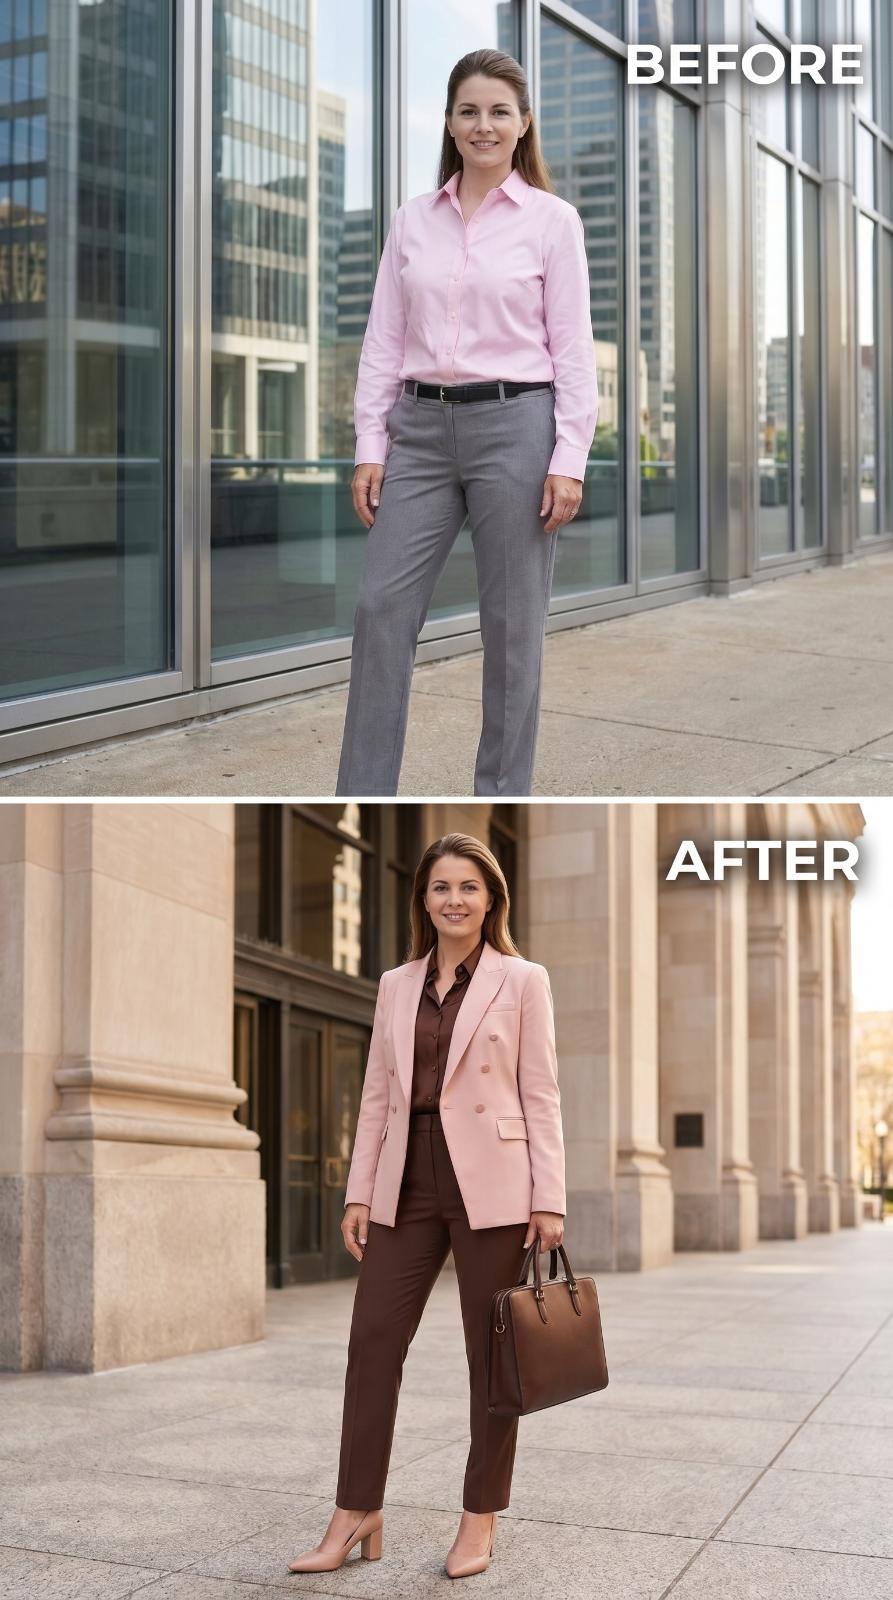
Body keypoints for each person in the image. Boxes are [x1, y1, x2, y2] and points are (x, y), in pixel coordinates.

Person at [287, 832, 566, 1579]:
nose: (454, 900)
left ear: (490, 899)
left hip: (496, 1184)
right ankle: (356, 1510)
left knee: (492, 1355)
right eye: (440, 887)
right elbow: (378, 1093)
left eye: (468, 888)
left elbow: (539, 1092)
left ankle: (479, 1516)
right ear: (423, 899)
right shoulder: (395, 984)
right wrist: (358, 1190)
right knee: (372, 1342)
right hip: (405, 1178)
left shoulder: (522, 979)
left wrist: (550, 1199)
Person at [335, 47, 598, 798]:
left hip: (517, 427)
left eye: (498, 112)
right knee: (379, 607)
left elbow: (573, 347)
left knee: (512, 633)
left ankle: (499, 794)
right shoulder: (412, 221)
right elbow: (382, 340)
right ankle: (363, 791)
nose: (482, 125)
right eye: (468, 110)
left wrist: (569, 455)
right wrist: (369, 444)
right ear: (449, 124)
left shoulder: (552, 222)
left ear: (522, 126)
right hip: (417, 429)